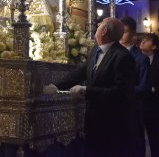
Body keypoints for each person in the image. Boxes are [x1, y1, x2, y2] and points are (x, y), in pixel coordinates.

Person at [43, 18, 136, 157]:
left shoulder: (123, 57)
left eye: (100, 24)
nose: (97, 25)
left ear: (104, 31)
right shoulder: (96, 50)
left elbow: (121, 93)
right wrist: (55, 86)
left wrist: (87, 90)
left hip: (113, 124)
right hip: (94, 121)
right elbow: (80, 72)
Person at [120, 16, 151, 157]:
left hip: (133, 108)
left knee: (135, 144)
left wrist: (121, 92)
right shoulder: (113, 53)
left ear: (133, 33)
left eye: (125, 31)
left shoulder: (141, 59)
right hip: (115, 109)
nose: (121, 34)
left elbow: (143, 86)